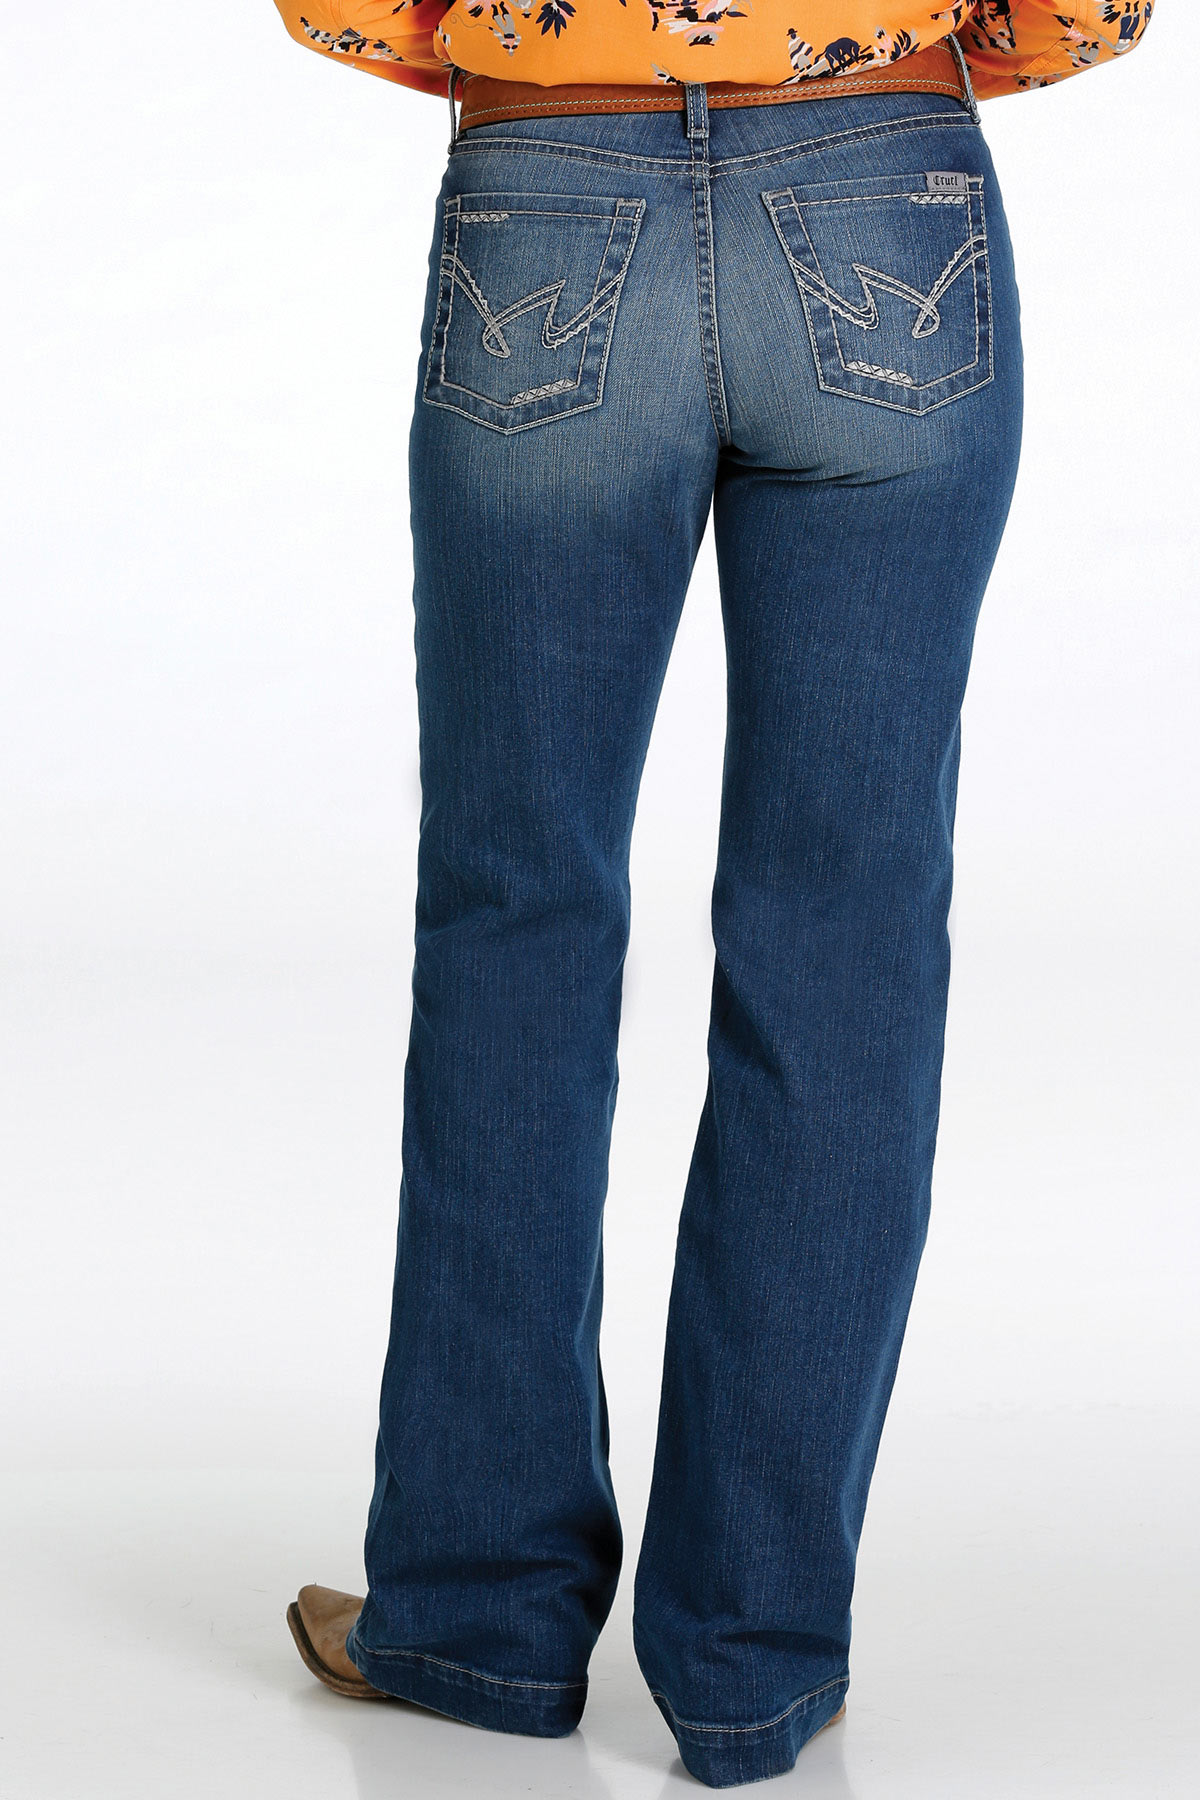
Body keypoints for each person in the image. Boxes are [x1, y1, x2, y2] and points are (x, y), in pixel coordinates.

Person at [273, 3, 1154, 1788]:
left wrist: (522, 62)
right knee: (845, 940)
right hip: (885, 185)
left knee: (515, 913)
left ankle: (476, 1617)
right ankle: (753, 1657)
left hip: (550, 183)